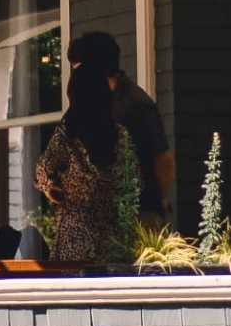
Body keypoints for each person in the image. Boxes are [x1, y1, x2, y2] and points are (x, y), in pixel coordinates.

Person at [33, 56, 139, 268]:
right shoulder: (120, 135)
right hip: (113, 236)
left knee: (71, 288)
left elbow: (43, 171)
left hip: (75, 235)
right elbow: (133, 179)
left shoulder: (67, 135)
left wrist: (51, 189)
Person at [68, 28, 175, 211]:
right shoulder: (93, 100)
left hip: (137, 209)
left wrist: (161, 200)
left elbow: (163, 158)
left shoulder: (135, 104)